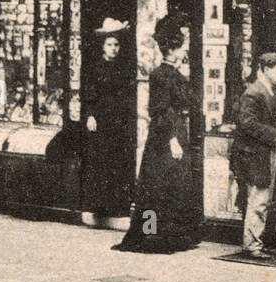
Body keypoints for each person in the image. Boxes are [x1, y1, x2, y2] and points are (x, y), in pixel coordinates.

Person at [116, 14, 200, 254]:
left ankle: (172, 235)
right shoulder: (160, 75)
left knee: (174, 186)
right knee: (158, 188)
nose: (184, 52)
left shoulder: (174, 73)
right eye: (181, 47)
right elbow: (160, 111)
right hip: (165, 137)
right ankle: (152, 235)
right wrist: (173, 140)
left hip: (176, 132)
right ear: (172, 50)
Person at [233, 52, 276, 258]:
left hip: (260, 152)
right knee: (259, 198)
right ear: (265, 69)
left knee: (261, 198)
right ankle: (252, 245)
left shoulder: (263, 91)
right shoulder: (254, 92)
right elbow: (247, 123)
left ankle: (255, 241)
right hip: (255, 154)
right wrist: (273, 135)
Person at [82, 19, 135, 223]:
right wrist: (91, 115)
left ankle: (116, 205)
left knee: (117, 161)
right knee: (101, 161)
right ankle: (99, 206)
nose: (113, 49)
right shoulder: (96, 68)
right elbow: (90, 93)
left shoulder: (124, 68)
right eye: (109, 45)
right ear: (103, 46)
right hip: (101, 120)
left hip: (118, 120)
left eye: (116, 45)